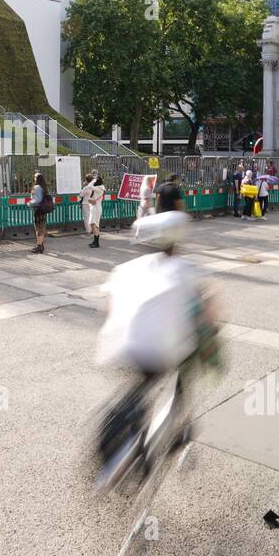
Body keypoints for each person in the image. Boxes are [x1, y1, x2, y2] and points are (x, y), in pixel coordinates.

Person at [93, 211, 219, 483]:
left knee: (140, 383)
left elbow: (109, 307)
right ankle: (172, 435)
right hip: (159, 349)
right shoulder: (187, 270)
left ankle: (128, 427)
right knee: (181, 379)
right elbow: (207, 314)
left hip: (116, 345)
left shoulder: (126, 268)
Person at [80, 171, 107, 248]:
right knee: (95, 225)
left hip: (96, 209)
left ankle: (96, 242)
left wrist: (93, 180)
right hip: (95, 208)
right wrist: (94, 179)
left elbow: (89, 186)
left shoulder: (99, 188)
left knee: (93, 224)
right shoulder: (100, 188)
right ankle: (95, 241)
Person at [28, 171, 52, 254]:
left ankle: (39, 247)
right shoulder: (44, 187)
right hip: (43, 209)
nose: (34, 178)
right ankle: (41, 245)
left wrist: (29, 203)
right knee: (42, 227)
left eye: (34, 177)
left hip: (37, 209)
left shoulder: (36, 187)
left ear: (36, 178)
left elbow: (37, 199)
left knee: (38, 229)